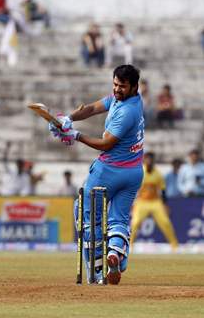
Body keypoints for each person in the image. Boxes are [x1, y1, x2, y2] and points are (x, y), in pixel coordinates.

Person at [48, 64, 144, 285]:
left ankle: (98, 271)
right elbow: (91, 108)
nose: (117, 89)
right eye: (115, 84)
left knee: (86, 214)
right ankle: (115, 255)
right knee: (118, 218)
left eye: (122, 86)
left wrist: (76, 135)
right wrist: (68, 119)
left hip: (109, 171)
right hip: (134, 172)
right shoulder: (126, 100)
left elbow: (106, 144)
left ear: (134, 87)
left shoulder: (127, 112)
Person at [130, 152, 178, 251]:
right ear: (144, 160)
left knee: (165, 222)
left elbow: (163, 190)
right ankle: (130, 245)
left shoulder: (158, 174)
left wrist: (165, 205)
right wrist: (132, 203)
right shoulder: (140, 172)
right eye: (147, 159)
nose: (149, 161)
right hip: (141, 202)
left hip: (155, 202)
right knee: (135, 223)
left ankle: (174, 246)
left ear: (153, 161)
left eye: (151, 160)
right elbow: (133, 188)